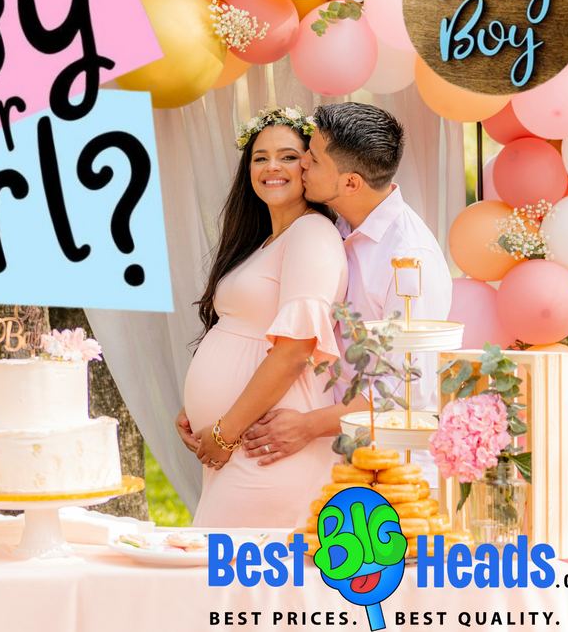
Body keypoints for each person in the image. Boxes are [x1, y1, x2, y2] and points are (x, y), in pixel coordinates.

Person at [237, 102, 453, 486]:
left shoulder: (408, 261)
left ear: (351, 182)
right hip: (335, 463)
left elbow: (405, 392)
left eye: (313, 160)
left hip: (395, 471)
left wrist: (307, 425)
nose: (301, 164)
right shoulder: (334, 223)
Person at [176, 106, 349, 529]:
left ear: (309, 167)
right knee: (225, 581)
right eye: (260, 157)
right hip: (236, 440)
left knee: (225, 579)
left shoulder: (312, 233)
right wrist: (198, 411)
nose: (273, 166)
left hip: (263, 444)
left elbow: (294, 353)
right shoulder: (267, 241)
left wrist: (222, 431)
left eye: (289, 156)